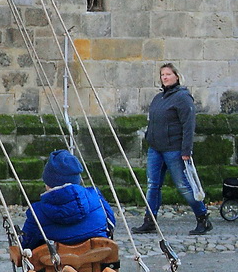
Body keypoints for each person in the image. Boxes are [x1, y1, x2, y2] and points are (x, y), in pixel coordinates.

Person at [134, 63, 212, 235]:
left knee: (183, 186)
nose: (165, 77)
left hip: (174, 150)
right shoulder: (158, 98)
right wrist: (149, 137)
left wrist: (186, 151)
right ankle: (150, 221)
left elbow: (188, 125)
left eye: (168, 74)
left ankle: (202, 218)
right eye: (162, 74)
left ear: (176, 76)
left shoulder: (183, 98)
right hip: (156, 149)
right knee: (153, 185)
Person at [19, 150, 115, 252]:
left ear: (48, 183)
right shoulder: (96, 197)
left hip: (55, 266)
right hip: (96, 264)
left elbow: (25, 245)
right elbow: (111, 225)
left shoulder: (36, 213)